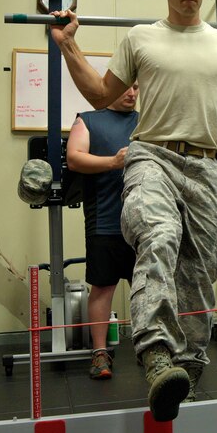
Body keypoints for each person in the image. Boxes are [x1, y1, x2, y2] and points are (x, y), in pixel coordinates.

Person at [49, 0, 217, 421]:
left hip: (206, 166)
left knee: (201, 271)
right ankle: (156, 353)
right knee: (158, 236)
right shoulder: (141, 37)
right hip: (152, 155)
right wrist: (67, 44)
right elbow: (100, 94)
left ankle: (185, 371)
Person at [66, 82, 139, 379]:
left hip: (144, 222)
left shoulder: (147, 122)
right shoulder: (88, 120)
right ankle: (99, 354)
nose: (132, 93)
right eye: (126, 87)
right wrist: (113, 162)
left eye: (136, 87)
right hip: (105, 219)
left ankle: (153, 348)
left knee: (149, 287)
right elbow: (74, 158)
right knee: (103, 287)